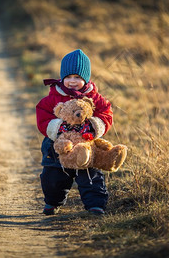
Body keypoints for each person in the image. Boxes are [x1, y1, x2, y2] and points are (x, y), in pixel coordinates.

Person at [36, 49, 113, 216]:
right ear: (62, 77)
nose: (72, 81)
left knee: (90, 174)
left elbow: (106, 113)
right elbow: (42, 115)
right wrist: (58, 128)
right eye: (68, 77)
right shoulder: (53, 97)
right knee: (53, 176)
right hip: (58, 144)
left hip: (86, 142)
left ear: (85, 79)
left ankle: (95, 205)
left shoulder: (94, 97)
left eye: (77, 77)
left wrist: (93, 126)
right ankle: (52, 202)